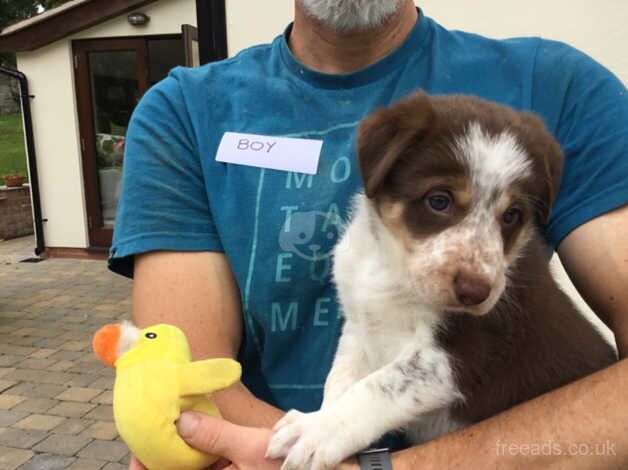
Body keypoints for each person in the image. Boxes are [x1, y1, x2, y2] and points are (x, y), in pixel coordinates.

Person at [109, 1, 628, 468]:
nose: (479, 266)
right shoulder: (183, 112)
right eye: (441, 202)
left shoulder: (560, 88)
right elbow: (191, 370)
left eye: (510, 219)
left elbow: (445, 364)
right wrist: (319, 434)